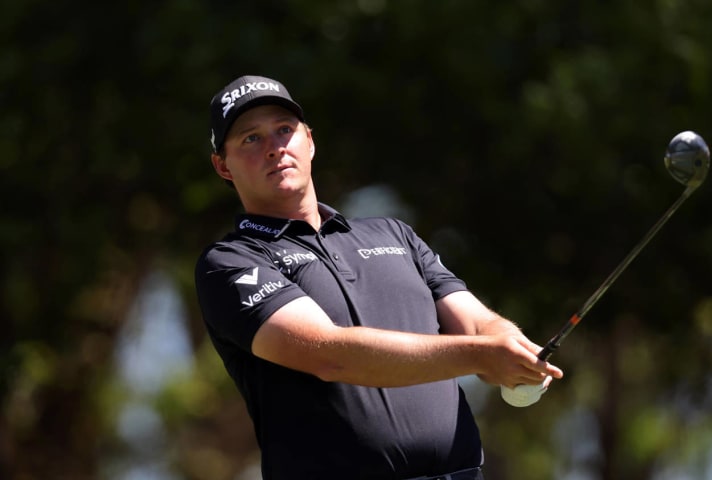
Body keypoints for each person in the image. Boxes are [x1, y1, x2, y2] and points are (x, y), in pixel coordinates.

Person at [195, 74, 563, 479]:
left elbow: (476, 321)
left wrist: (508, 344)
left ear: (310, 141)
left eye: (284, 130)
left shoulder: (394, 234)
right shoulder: (230, 262)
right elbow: (328, 354)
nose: (274, 148)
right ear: (222, 166)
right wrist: (480, 356)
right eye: (250, 138)